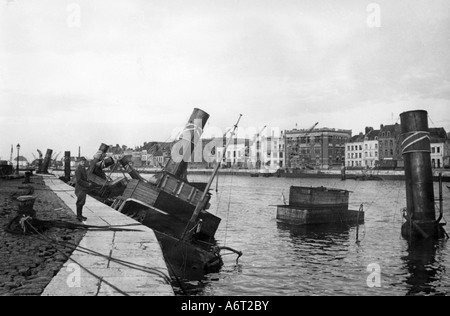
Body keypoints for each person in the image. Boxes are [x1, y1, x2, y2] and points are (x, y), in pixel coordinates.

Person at [75, 157, 91, 222]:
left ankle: (80, 215)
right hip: (80, 188)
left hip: (82, 188)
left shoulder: (82, 168)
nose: (83, 163)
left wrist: (88, 182)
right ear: (79, 162)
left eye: (84, 162)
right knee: (80, 202)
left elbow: (83, 178)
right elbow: (79, 180)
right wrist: (87, 184)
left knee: (82, 202)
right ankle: (79, 216)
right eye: (82, 162)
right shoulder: (78, 169)